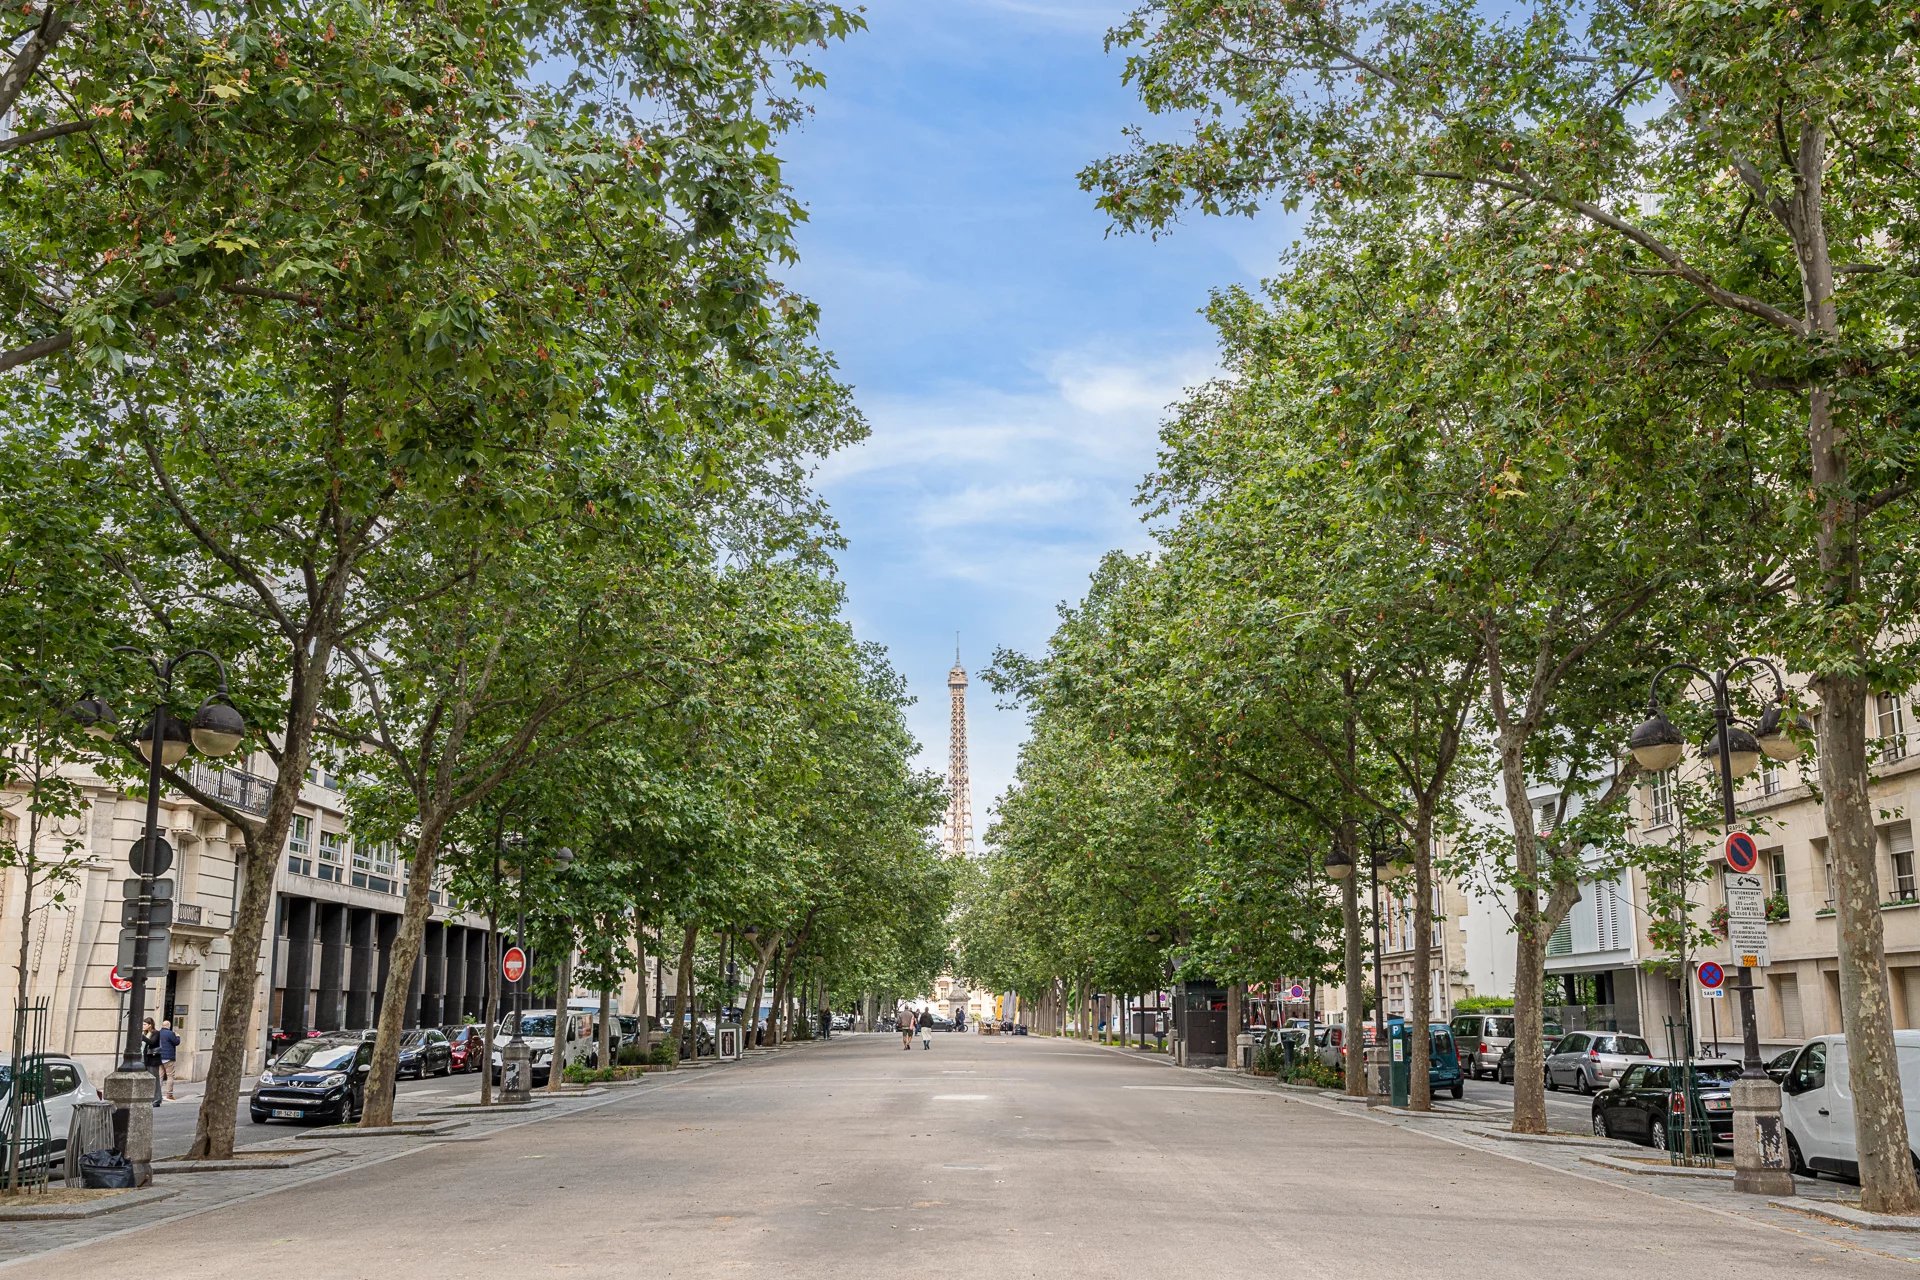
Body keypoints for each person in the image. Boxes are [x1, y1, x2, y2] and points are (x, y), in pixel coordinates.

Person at [156, 1019, 182, 1100]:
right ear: (168, 1026)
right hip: (168, 1058)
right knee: (170, 1075)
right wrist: (178, 1036)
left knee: (160, 1076)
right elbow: (176, 1042)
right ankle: (169, 1094)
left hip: (159, 1057)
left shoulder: (158, 1033)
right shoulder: (170, 1033)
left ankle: (157, 1093)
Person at [141, 1018, 162, 1106]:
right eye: (143, 1024)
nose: (143, 1026)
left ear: (150, 1025)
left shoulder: (155, 1033)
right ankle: (148, 1098)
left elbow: (152, 1042)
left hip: (153, 1059)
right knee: (146, 1080)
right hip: (145, 1059)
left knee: (154, 1079)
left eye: (145, 1024)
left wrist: (143, 1038)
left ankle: (157, 1099)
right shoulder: (145, 1033)